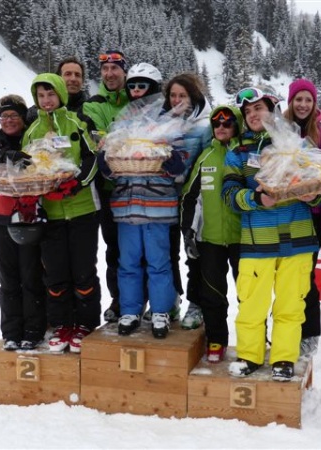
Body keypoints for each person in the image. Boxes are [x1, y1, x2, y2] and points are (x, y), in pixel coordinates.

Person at [222, 87, 321, 381]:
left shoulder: (296, 146)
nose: (253, 115)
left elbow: (320, 189)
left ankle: (283, 359)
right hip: (257, 242)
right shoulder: (238, 152)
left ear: (273, 110)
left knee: (291, 305)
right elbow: (229, 194)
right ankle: (250, 356)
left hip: (298, 239)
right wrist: (255, 200)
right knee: (252, 305)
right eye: (248, 111)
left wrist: (310, 196)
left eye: (259, 108)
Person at [97, 63, 185, 339]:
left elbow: (181, 162)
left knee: (159, 261)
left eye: (142, 86)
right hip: (126, 206)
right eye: (132, 85)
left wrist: (170, 159)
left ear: (154, 88)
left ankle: (160, 310)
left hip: (158, 205)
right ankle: (130, 309)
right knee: (128, 262)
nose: (136, 91)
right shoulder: (122, 119)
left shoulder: (170, 120)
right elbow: (110, 162)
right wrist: (105, 160)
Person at [23, 73, 100, 353]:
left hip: (83, 210)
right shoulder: (32, 131)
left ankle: (86, 325)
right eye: (41, 96)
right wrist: (39, 183)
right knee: (55, 275)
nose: (46, 101)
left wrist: (77, 182)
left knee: (83, 272)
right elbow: (27, 167)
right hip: (51, 213)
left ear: (61, 95)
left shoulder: (77, 122)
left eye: (51, 94)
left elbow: (93, 157)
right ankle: (62, 325)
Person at [0, 95, 47, 351]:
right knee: (8, 280)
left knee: (31, 277)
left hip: (29, 217)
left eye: (13, 116)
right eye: (3, 117)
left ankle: (33, 330)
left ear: (22, 118)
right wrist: (6, 153)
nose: (8, 121)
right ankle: (11, 332)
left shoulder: (34, 138)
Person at [181, 105, 243, 363]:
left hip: (245, 239)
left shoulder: (245, 154)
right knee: (213, 294)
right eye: (216, 123)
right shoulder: (205, 157)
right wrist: (188, 232)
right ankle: (216, 339)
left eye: (227, 123)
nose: (221, 128)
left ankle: (253, 343)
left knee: (249, 296)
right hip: (211, 240)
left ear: (236, 126)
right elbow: (190, 197)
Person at [284, 78, 321, 359]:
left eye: (308, 100)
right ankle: (284, 332)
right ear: (291, 102)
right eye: (298, 99)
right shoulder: (280, 131)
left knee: (305, 278)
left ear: (314, 103)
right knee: (283, 279)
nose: (303, 105)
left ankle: (309, 333)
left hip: (312, 217)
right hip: (281, 216)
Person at [158, 72, 212, 330]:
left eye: (183, 95)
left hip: (194, 200)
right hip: (165, 197)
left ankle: (196, 304)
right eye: (173, 95)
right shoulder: (162, 123)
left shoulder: (205, 125)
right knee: (167, 253)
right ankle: (171, 299)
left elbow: (208, 163)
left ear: (193, 97)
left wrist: (185, 176)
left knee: (194, 254)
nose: (177, 100)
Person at [82, 50, 130, 323]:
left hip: (142, 188)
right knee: (115, 250)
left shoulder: (137, 98)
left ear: (124, 71)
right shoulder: (94, 104)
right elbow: (98, 140)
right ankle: (119, 299)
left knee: (146, 250)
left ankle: (157, 301)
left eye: (115, 68)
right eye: (105, 70)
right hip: (109, 190)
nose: (110, 74)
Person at [26, 56, 89, 122]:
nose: (73, 79)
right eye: (68, 74)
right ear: (58, 78)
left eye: (77, 75)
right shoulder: (36, 113)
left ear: (82, 80)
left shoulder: (91, 111)